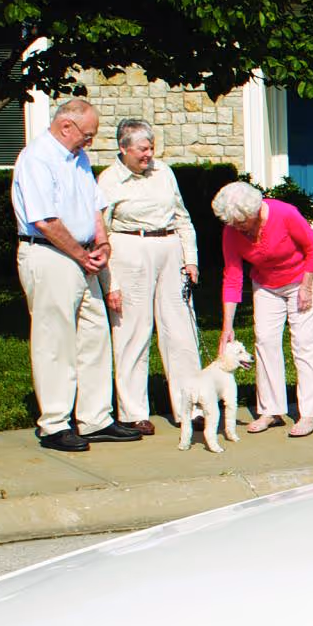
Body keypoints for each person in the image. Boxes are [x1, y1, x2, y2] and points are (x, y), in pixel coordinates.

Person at [10, 98, 140, 452]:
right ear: (66, 126)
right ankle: (54, 423)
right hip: (50, 255)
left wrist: (102, 243)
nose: (90, 141)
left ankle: (95, 417)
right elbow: (45, 220)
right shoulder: (37, 158)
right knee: (55, 340)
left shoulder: (77, 157)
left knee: (94, 335)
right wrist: (82, 255)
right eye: (87, 134)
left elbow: (94, 206)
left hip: (82, 257)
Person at [99, 118, 201, 434]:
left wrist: (191, 259)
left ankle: (191, 407)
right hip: (129, 249)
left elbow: (182, 218)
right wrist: (110, 283)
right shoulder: (108, 181)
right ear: (123, 148)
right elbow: (100, 231)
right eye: (142, 149)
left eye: (151, 147)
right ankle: (132, 412)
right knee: (132, 331)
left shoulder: (164, 172)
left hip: (169, 247)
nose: (149, 155)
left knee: (181, 331)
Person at [213, 180, 313, 438]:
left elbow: (312, 249)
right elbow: (232, 276)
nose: (238, 229)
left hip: (303, 276)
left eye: (242, 223)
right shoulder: (232, 231)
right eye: (232, 223)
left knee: (306, 343)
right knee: (264, 340)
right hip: (266, 283)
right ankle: (271, 410)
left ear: (254, 212)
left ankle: (309, 412)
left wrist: (306, 286)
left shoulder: (284, 213)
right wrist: (227, 327)